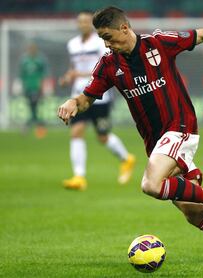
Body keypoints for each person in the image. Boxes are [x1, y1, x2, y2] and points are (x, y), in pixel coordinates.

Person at [57, 6, 203, 275]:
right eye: (102, 38)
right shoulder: (109, 65)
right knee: (194, 214)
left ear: (124, 28)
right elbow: (86, 98)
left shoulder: (158, 43)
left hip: (180, 128)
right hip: (156, 144)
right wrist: (73, 102)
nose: (107, 43)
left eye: (109, 36)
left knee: (151, 185)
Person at [59, 11, 136, 190]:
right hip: (79, 94)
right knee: (76, 132)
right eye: (80, 22)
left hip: (99, 96)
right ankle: (79, 177)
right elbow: (74, 67)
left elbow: (106, 67)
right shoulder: (73, 44)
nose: (83, 24)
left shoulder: (101, 42)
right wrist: (68, 77)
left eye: (86, 21)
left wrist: (80, 74)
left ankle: (126, 159)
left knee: (102, 136)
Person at [19, 42, 48, 138]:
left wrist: (43, 87)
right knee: (32, 108)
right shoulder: (24, 60)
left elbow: (44, 74)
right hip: (27, 87)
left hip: (37, 87)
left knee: (34, 107)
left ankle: (30, 126)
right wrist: (20, 85)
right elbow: (21, 74)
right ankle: (39, 126)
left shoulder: (40, 60)